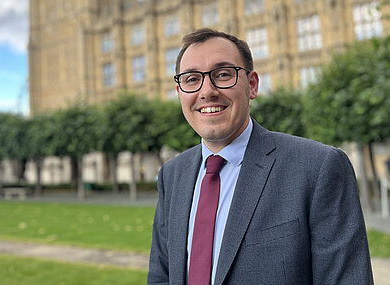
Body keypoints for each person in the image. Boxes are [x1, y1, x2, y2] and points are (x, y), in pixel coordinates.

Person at [148, 28, 373, 284]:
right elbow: (161, 275)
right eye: (191, 79)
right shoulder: (172, 174)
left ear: (252, 85)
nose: (206, 91)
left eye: (223, 75)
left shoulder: (318, 167)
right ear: (179, 93)